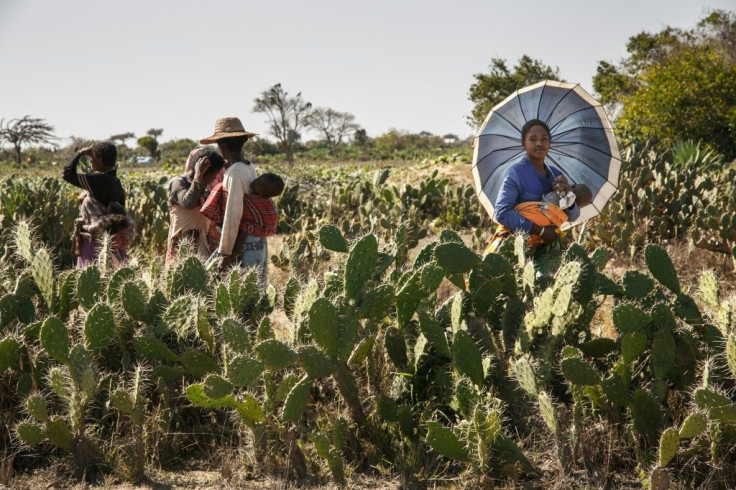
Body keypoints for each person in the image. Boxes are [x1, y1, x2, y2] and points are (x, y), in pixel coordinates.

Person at [488, 119, 582, 256]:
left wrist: (568, 196)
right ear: (523, 144)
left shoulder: (556, 175)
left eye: (544, 139)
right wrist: (541, 231)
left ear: (549, 144)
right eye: (533, 139)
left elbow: (573, 216)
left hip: (548, 247)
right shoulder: (516, 173)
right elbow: (502, 212)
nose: (539, 143)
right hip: (518, 247)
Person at [199, 117, 268, 285]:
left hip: (242, 245)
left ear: (221, 146)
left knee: (241, 298)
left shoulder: (234, 172)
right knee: (254, 294)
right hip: (256, 241)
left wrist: (225, 254)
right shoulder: (248, 167)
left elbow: (233, 216)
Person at [63, 141, 133, 268]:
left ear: (100, 160)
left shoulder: (98, 180)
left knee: (91, 279)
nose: (90, 161)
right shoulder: (116, 182)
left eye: (93, 158)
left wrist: (80, 154)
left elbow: (67, 173)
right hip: (113, 240)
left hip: (95, 243)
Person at [200, 173, 284, 273]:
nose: (255, 181)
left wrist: (236, 250)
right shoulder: (256, 199)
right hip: (258, 245)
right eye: (259, 178)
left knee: (246, 277)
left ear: (264, 193)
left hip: (247, 248)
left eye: (260, 183)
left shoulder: (253, 201)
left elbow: (246, 227)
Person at [166, 147, 225, 263]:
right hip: (180, 249)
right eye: (214, 174)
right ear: (204, 170)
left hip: (201, 250)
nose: (214, 179)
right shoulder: (178, 182)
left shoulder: (204, 188)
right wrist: (198, 177)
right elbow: (188, 202)